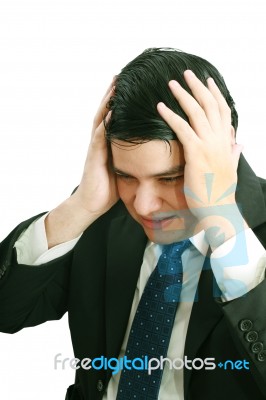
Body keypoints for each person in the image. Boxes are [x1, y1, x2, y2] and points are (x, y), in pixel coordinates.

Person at [0, 48, 266, 400]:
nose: (143, 205)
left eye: (170, 178)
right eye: (126, 175)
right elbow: (8, 311)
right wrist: (79, 207)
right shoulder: (102, 212)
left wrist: (224, 220)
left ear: (222, 152)